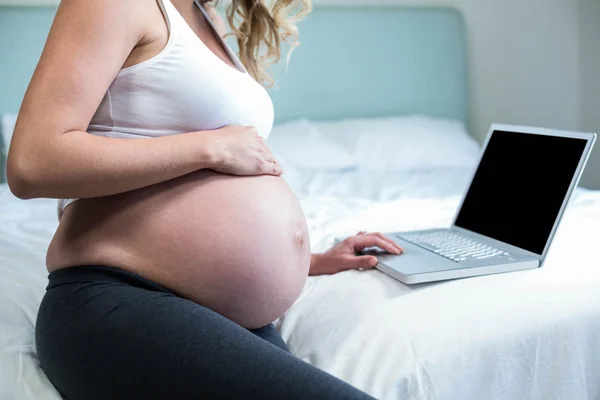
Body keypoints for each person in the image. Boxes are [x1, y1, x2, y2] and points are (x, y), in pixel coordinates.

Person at [7, 0, 403, 398]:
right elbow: (31, 163)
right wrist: (210, 148)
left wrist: (307, 261)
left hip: (206, 311)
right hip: (119, 298)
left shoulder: (204, 15)